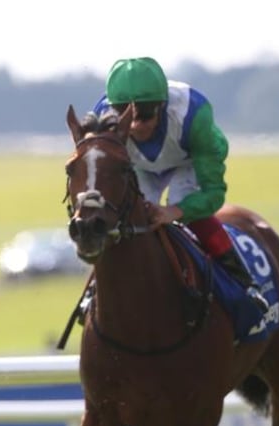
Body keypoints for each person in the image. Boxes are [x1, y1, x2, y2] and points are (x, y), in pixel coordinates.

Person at [92, 56, 269, 313]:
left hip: (188, 162)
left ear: (163, 105)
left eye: (146, 115)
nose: (137, 126)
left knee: (185, 210)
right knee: (133, 217)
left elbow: (214, 194)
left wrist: (174, 212)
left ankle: (244, 285)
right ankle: (95, 290)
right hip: (140, 168)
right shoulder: (102, 120)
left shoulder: (193, 114)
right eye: (128, 117)